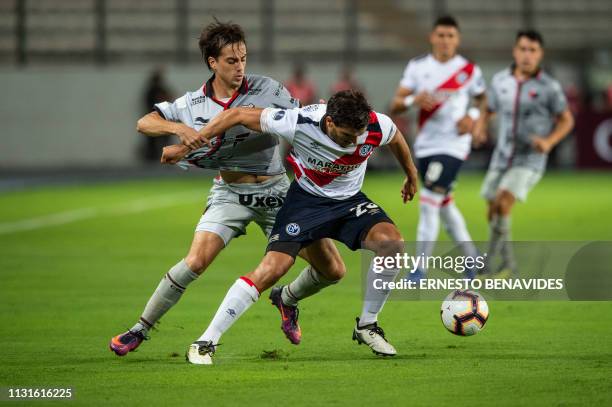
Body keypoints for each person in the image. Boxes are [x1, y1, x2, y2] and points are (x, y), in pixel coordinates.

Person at [109, 20, 344, 357]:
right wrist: (178, 129)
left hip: (277, 192)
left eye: (243, 59)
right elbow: (144, 123)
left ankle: (286, 298)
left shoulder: (268, 89)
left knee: (332, 270)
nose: (240, 67)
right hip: (230, 194)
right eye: (231, 61)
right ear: (212, 63)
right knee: (195, 262)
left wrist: (322, 116)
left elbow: (303, 119)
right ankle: (140, 329)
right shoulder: (193, 105)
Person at [163, 90, 418, 364]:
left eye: (359, 135)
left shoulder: (375, 125)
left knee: (391, 245)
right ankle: (205, 342)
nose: (354, 142)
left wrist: (411, 174)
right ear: (329, 122)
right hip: (305, 203)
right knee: (273, 269)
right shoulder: (298, 122)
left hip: (349, 202)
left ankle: (367, 325)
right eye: (346, 137)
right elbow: (236, 114)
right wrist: (185, 147)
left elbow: (396, 138)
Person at [389, 16, 487, 279]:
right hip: (425, 144)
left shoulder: (468, 70)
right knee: (443, 203)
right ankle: (473, 258)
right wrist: (413, 99)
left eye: (450, 36)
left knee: (429, 200)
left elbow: (482, 100)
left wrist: (474, 119)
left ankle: (419, 268)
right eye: (441, 35)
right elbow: (395, 104)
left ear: (457, 39)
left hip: (455, 143)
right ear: (432, 37)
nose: (445, 40)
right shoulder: (418, 67)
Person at [480, 30, 574, 276]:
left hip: (529, 158)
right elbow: (489, 108)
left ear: (540, 54)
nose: (527, 55)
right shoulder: (501, 80)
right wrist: (481, 126)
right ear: (515, 51)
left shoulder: (549, 87)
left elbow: (566, 120)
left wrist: (549, 141)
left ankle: (492, 262)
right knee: (493, 208)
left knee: (503, 200)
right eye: (523, 49)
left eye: (532, 50)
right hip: (501, 156)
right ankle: (507, 262)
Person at [141, 67, 174, 162]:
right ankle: (155, 157)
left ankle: (155, 158)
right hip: (159, 118)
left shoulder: (152, 90)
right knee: (156, 140)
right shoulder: (155, 90)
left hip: (156, 118)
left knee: (157, 139)